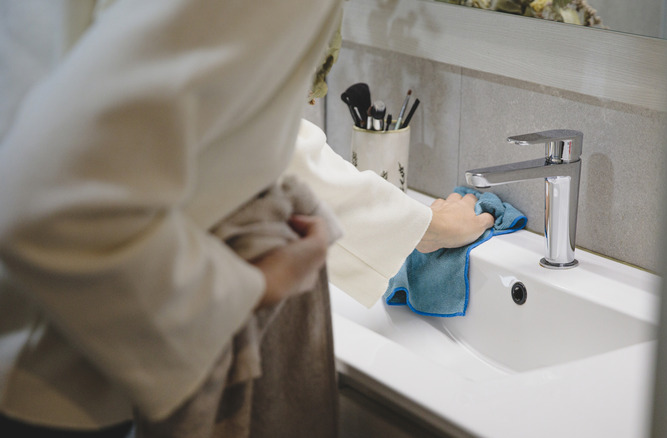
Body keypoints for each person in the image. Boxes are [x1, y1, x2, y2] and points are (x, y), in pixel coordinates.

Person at [0, 0, 493, 435]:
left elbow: (192, 118)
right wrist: (256, 286)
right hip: (54, 362)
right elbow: (61, 202)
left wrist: (410, 224)